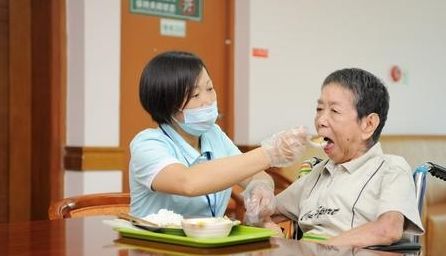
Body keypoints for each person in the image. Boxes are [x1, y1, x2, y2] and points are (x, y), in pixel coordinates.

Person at [244, 68, 424, 247]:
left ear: (368, 125)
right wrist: (261, 213)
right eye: (319, 109)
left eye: (334, 111)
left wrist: (319, 251)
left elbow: (388, 229)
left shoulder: (391, 168)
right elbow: (265, 210)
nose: (321, 120)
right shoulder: (318, 172)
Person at [129, 51, 307, 219]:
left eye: (210, 88)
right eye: (195, 95)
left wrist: (260, 188)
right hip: (155, 249)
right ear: (166, 104)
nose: (208, 101)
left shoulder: (213, 134)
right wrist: (269, 153)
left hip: (209, 246)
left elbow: (254, 174)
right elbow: (188, 182)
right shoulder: (147, 144)